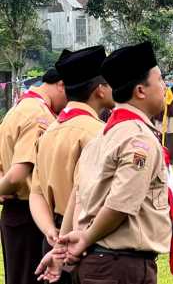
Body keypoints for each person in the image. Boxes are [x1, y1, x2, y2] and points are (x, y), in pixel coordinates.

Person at [58, 42, 173, 282]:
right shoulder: (137, 138)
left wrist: (62, 248)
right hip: (118, 266)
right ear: (141, 91)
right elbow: (121, 204)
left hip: (102, 263)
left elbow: (78, 196)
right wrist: (85, 239)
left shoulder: (102, 137)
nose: (165, 88)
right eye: (160, 80)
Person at [29, 46, 114, 284]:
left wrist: (51, 232)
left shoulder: (50, 130)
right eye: (110, 83)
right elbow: (83, 197)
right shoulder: (98, 133)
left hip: (52, 239)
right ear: (99, 90)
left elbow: (36, 194)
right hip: (84, 242)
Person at [0, 68, 67, 284]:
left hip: (16, 214)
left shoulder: (17, 109)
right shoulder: (39, 115)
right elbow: (17, 175)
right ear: (61, 84)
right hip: (29, 215)